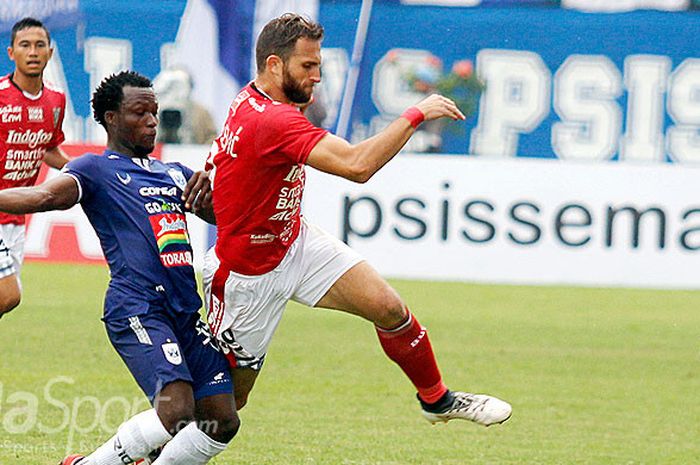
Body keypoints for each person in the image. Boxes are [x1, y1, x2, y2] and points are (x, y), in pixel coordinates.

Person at [203, 13, 512, 427]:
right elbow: (357, 166)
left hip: (293, 242)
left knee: (388, 307)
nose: (316, 77)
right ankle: (135, 451)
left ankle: (437, 400)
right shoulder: (273, 120)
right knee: (225, 407)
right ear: (274, 65)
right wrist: (416, 115)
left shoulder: (255, 100)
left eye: (319, 67)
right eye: (307, 67)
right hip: (247, 276)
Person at [0, 70, 239, 465]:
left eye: (154, 112)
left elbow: (222, 217)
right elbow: (44, 196)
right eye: (139, 112)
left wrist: (211, 205)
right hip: (138, 307)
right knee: (175, 411)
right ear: (111, 118)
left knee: (222, 419)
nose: (151, 121)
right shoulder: (95, 169)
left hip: (184, 310)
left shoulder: (174, 173)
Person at [0, 17, 69, 318]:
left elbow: (47, 147)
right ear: (11, 53)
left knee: (5, 302)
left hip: (16, 217)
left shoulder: (56, 100)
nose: (32, 51)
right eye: (24, 45)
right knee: (9, 295)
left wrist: (80, 168)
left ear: (50, 52)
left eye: (39, 45)